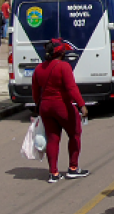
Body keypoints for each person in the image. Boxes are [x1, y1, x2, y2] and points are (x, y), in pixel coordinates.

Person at [32, 38, 89, 183]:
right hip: (62, 106)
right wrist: (82, 105)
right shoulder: (64, 67)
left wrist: (38, 105)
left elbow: (35, 92)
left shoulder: (38, 69)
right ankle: (73, 168)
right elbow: (71, 88)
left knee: (52, 138)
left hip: (45, 107)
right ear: (61, 52)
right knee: (75, 134)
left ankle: (53, 173)